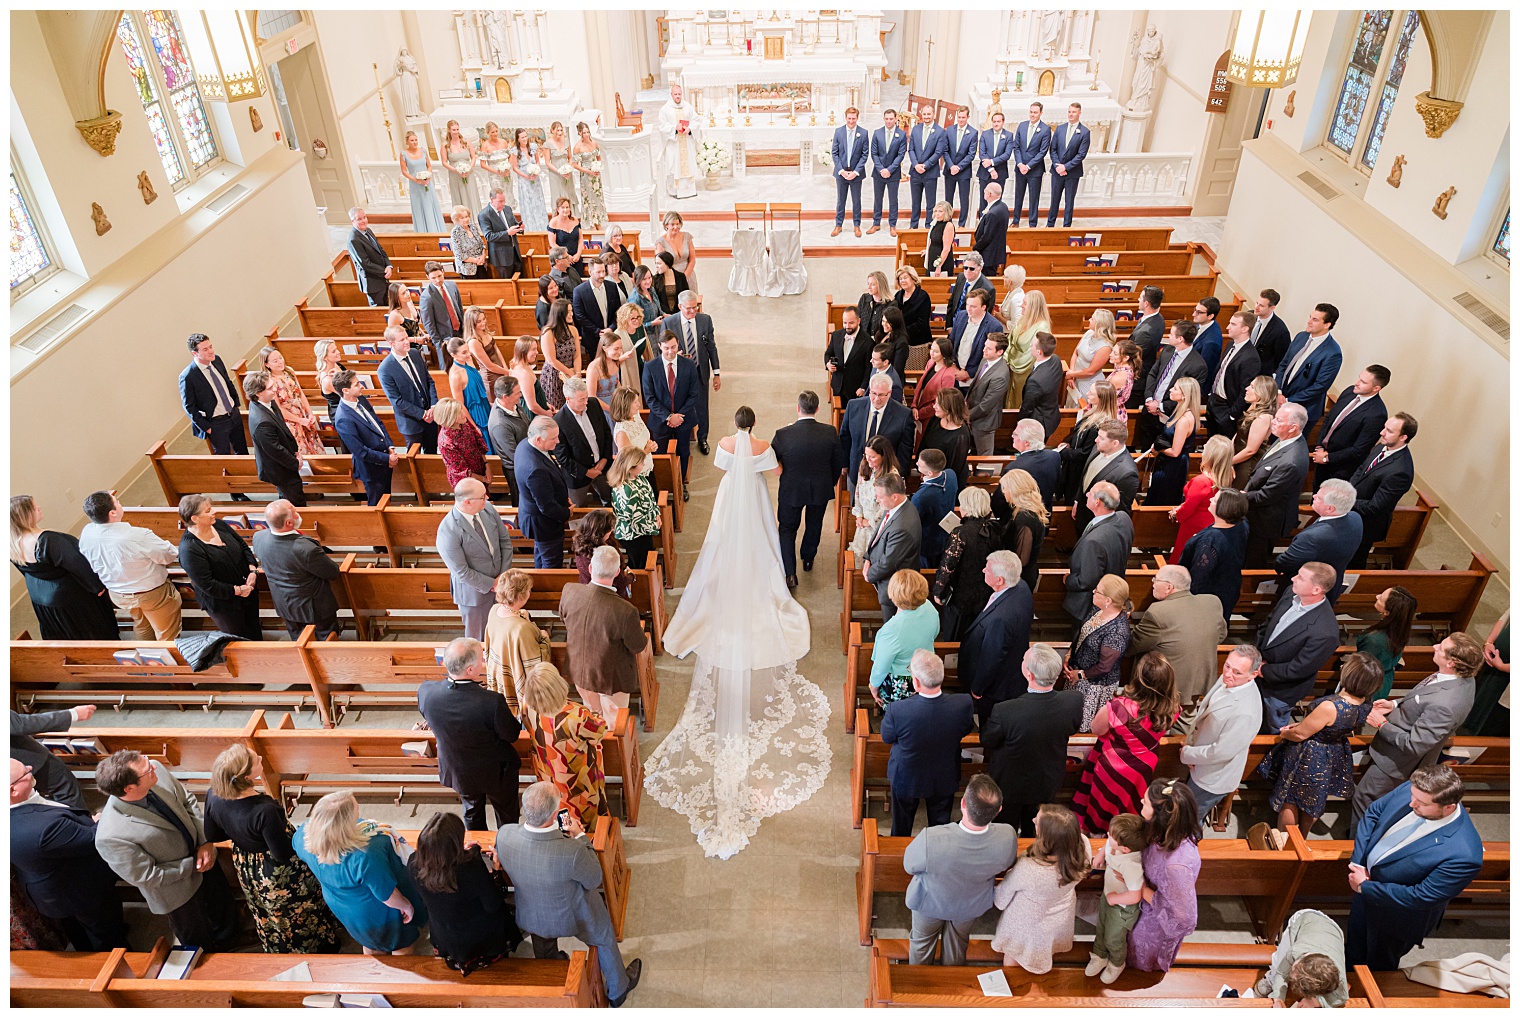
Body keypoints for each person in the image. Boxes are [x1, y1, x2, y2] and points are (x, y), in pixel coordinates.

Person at [644, 406, 826, 859]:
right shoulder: (763, 448)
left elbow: (724, 468)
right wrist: (762, 459)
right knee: (763, 546)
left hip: (730, 499)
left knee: (721, 546)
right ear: (756, 426)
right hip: (756, 499)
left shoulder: (725, 448)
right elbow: (775, 469)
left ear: (734, 425)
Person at [496, 781, 642, 1005]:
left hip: (532, 914)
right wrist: (580, 837)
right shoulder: (571, 850)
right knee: (603, 937)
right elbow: (594, 879)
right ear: (555, 814)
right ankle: (618, 989)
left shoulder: (505, 835)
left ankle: (551, 964)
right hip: (572, 917)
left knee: (543, 937)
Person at [94, 750, 240, 949]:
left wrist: (206, 842)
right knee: (197, 937)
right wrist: (194, 865)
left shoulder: (156, 770)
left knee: (222, 906)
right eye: (146, 770)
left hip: (204, 856)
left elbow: (186, 800)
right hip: (175, 889)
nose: (152, 766)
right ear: (129, 788)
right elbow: (147, 876)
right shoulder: (110, 835)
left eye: (146, 760)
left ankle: (231, 939)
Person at [204, 744, 341, 953]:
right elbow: (282, 853)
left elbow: (213, 835)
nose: (260, 758)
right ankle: (316, 947)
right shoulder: (264, 809)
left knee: (267, 911)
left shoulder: (213, 794)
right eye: (256, 760)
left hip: (246, 862)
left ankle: (278, 946)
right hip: (274, 871)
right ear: (247, 776)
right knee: (296, 910)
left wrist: (242, 836)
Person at [1346, 766, 1484, 971]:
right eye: (1413, 796)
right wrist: (1359, 863)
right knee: (1353, 950)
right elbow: (1374, 812)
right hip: (1363, 890)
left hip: (1396, 917)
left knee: (1378, 965)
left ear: (1448, 807)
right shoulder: (1418, 789)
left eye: (1422, 804)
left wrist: (1366, 887)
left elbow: (1421, 896)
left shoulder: (1464, 854)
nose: (1411, 804)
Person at [1354, 632, 1483, 819]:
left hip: (1398, 762)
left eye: (1441, 647)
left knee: (1365, 798)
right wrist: (1395, 704)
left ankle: (1359, 843)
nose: (1434, 646)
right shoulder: (1461, 678)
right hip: (1394, 748)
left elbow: (1414, 745)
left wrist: (1381, 724)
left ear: (1451, 662)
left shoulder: (1446, 704)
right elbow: (1424, 696)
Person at [10, 756, 128, 951]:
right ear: (13, 790)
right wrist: (99, 820)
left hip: (48, 890)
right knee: (106, 933)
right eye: (26, 772)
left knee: (76, 927)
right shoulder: (43, 828)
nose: (31, 768)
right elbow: (92, 838)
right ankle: (115, 961)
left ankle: (86, 946)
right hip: (79, 890)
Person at [1257, 652, 1381, 836]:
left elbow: (1300, 734)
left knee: (1290, 799)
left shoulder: (1330, 706)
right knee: (1312, 800)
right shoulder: (1364, 702)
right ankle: (1303, 836)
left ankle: (1286, 841)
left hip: (1311, 753)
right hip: (1334, 750)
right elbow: (1324, 726)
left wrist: (1285, 733)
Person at [903, 773, 1017, 965]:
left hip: (930, 903)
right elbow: (1006, 864)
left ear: (963, 803)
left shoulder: (931, 838)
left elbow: (910, 866)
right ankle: (952, 986)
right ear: (999, 810)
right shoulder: (1007, 836)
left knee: (922, 943)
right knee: (957, 944)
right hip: (970, 904)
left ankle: (919, 983)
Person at [295, 790, 426, 955]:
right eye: (356, 813)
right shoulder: (365, 854)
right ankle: (402, 977)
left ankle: (374, 974)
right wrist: (407, 906)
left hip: (344, 907)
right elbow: (386, 893)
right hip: (377, 913)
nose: (359, 815)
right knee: (400, 945)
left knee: (370, 944)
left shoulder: (303, 836)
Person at [418, 637, 523, 831]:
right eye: (481, 659)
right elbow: (511, 735)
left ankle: (477, 851)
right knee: (507, 814)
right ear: (470, 670)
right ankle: (507, 849)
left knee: (472, 813)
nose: (484, 663)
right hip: (496, 771)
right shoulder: (491, 702)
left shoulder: (427, 692)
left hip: (458, 769)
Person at [981, 644, 1083, 835]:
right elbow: (1072, 728)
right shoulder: (1073, 701)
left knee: (1006, 830)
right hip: (1047, 779)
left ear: (1030, 675)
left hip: (1010, 783)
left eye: (1023, 661)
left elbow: (988, 740)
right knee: (1036, 830)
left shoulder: (1005, 710)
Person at [1072, 653, 1179, 834]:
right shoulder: (1171, 707)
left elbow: (1096, 729)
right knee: (1130, 805)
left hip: (1115, 766)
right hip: (1143, 766)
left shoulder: (1118, 707)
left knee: (1103, 807)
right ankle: (1123, 834)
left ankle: (1098, 833)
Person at [407, 812, 521, 974]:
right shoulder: (470, 869)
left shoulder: (414, 863)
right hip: (478, 936)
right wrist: (496, 869)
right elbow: (493, 904)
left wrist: (462, 853)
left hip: (444, 932)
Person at [882, 649, 974, 837]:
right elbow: (966, 729)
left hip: (906, 776)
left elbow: (887, 737)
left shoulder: (897, 710)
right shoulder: (962, 704)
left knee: (901, 826)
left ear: (916, 682)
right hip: (944, 775)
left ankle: (900, 858)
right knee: (939, 828)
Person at [991, 804, 1091, 972]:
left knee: (1013, 956)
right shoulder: (1082, 849)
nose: (1033, 820)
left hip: (1027, 922)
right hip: (1059, 915)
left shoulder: (1031, 868)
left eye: (1037, 822)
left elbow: (1001, 898)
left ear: (1047, 838)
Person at [78, 490, 182, 640]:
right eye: (118, 502)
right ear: (112, 513)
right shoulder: (137, 536)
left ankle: (148, 658)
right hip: (151, 593)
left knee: (141, 624)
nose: (120, 504)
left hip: (118, 593)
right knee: (166, 632)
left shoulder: (87, 533)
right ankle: (167, 660)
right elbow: (167, 556)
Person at [9, 495, 117, 640]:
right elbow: (77, 563)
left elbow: (27, 571)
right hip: (68, 597)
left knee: (68, 633)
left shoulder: (12, 544)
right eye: (34, 508)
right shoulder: (47, 540)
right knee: (91, 630)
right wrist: (97, 586)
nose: (39, 508)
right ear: (25, 515)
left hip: (40, 597)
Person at [561, 546, 648, 723]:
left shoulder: (570, 591)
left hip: (580, 671)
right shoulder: (625, 610)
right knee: (613, 722)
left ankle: (598, 747)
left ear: (591, 568)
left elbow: (565, 619)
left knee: (592, 716)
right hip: (611, 680)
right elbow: (637, 645)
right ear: (617, 573)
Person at [518, 663, 608, 831]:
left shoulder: (526, 705)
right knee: (585, 810)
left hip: (547, 771)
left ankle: (565, 834)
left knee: (560, 808)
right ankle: (591, 839)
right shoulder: (576, 715)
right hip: (577, 778)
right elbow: (600, 731)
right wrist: (596, 715)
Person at [1179, 645, 1264, 819]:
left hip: (1212, 777)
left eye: (1237, 672)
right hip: (1201, 760)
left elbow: (1221, 752)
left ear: (1253, 675)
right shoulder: (1231, 679)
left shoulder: (1246, 711)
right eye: (1226, 666)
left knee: (1189, 819)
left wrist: (1188, 754)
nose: (1228, 674)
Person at [1256, 562, 1343, 733]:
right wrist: (1256, 654)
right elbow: (1268, 623)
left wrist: (1263, 670)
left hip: (1280, 690)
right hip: (1259, 669)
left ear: (1316, 590)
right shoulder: (1291, 593)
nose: (1293, 578)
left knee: (1272, 729)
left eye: (1300, 578)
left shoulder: (1325, 632)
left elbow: (1298, 669)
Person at [1127, 778, 1202, 972]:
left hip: (1154, 925)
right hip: (1143, 901)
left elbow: (1184, 918)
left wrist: (1143, 890)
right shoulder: (1167, 832)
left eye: (1145, 801)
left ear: (1158, 815)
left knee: (1138, 962)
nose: (1141, 802)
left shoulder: (1176, 866)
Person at [772, 390, 847, 584]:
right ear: (818, 409)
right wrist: (828, 482)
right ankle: (808, 558)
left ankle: (790, 574)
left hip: (791, 490)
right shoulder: (830, 432)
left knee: (787, 529)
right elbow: (837, 463)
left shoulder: (783, 434)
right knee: (814, 525)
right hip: (819, 488)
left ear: (798, 408)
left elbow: (773, 460)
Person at [1127, 565, 1227, 707]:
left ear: (1169, 587)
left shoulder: (1158, 612)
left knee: (1156, 722)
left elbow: (1133, 645)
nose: (1152, 582)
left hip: (1166, 685)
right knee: (1185, 723)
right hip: (1200, 680)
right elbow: (1221, 635)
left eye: (1156, 579)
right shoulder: (1212, 602)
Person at [958, 550, 1034, 727]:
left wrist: (978, 688)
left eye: (987, 569)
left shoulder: (1001, 618)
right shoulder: (1021, 586)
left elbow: (992, 657)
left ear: (1000, 580)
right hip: (1012, 671)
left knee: (990, 727)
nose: (983, 570)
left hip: (996, 687)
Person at [250, 500, 341, 640]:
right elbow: (332, 572)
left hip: (284, 603)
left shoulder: (258, 537)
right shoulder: (306, 549)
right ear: (289, 523)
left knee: (297, 637)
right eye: (294, 512)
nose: (298, 513)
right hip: (313, 606)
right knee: (326, 638)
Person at [176, 493, 261, 640]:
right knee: (239, 638)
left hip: (248, 590)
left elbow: (242, 545)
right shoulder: (189, 549)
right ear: (194, 519)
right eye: (208, 511)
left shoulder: (217, 524)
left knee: (254, 628)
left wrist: (253, 570)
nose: (214, 512)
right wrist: (239, 590)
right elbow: (207, 584)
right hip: (224, 603)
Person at [436, 478, 510, 640]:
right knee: (478, 639)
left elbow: (505, 541)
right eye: (483, 497)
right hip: (474, 595)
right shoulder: (448, 530)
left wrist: (502, 577)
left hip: (501, 584)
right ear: (468, 502)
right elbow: (461, 571)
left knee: (501, 633)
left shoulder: (488, 509)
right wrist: (492, 584)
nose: (487, 499)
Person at [1242, 402, 1311, 569]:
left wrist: (1241, 496)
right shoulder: (1285, 440)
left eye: (1279, 420)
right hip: (1260, 512)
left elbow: (1266, 496)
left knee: (1253, 561)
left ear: (1293, 427)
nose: (1273, 422)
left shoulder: (1291, 461)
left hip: (1267, 520)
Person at [1084, 811, 1148, 983]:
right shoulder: (1116, 844)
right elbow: (1108, 844)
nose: (1107, 835)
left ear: (1125, 848)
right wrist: (1100, 854)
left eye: (1111, 835)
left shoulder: (1131, 865)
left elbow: (1135, 895)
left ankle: (1117, 963)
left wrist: (1115, 899)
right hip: (1110, 895)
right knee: (1101, 926)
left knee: (1114, 937)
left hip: (1122, 908)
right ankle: (1099, 955)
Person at [1065, 573, 1134, 731]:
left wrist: (1080, 675)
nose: (1093, 592)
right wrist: (1069, 655)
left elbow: (1104, 667)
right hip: (1078, 673)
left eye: (1097, 591)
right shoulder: (1097, 609)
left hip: (1094, 685)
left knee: (1083, 724)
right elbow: (1082, 632)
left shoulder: (1116, 632)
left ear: (1108, 600)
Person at [1276, 479, 1364, 601]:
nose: (1314, 496)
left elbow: (1284, 563)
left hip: (1306, 593)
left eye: (1319, 498)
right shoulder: (1355, 518)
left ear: (1330, 509)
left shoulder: (1312, 538)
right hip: (1332, 584)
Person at [1348, 413, 1417, 568]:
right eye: (1385, 427)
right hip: (1353, 509)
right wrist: (1348, 490)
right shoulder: (1382, 446)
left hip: (1365, 525)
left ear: (1403, 437)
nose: (1382, 432)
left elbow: (1376, 506)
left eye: (1389, 431)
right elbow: (1362, 469)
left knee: (1354, 561)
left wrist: (1346, 500)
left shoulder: (1401, 471)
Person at [930, 488, 1000, 638]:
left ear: (968, 508)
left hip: (961, 597)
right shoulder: (994, 529)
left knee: (955, 637)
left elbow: (947, 567)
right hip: (985, 594)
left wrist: (938, 592)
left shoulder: (960, 533)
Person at [1064, 482, 1134, 631]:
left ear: (1097, 502)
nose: (1087, 494)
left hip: (1089, 604)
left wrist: (1068, 579)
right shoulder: (1123, 517)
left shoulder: (1093, 541)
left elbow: (1087, 581)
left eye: (1091, 493)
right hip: (1114, 581)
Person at [660, 291, 721, 454]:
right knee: (681, 406)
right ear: (680, 307)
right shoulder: (668, 323)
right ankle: (683, 438)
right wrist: (672, 356)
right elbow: (661, 350)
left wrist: (716, 373)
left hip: (699, 371)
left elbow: (711, 347)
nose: (693, 312)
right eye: (689, 309)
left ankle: (702, 437)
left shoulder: (705, 320)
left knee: (702, 407)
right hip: (679, 374)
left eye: (695, 308)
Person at [1134, 320, 1209, 454]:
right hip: (1150, 410)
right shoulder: (1168, 350)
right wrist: (1149, 399)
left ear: (1180, 339)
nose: (1168, 336)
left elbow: (1189, 397)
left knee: (1162, 454)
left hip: (1171, 416)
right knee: (1146, 449)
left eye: (1171, 334)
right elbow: (1153, 373)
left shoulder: (1198, 366)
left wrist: (1160, 406)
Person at [482, 569, 549, 713]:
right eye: (528, 591)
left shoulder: (494, 609)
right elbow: (535, 663)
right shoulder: (520, 628)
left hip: (500, 674)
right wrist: (544, 638)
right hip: (514, 679)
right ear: (520, 597)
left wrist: (521, 615)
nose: (530, 593)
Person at [870, 571, 941, 707]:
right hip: (925, 673)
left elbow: (881, 666)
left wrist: (873, 686)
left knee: (898, 715)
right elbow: (935, 633)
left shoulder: (892, 631)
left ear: (894, 595)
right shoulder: (929, 607)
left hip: (902, 681)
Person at [1178, 488, 1251, 618]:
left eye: (1215, 500)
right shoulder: (1242, 523)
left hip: (1208, 597)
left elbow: (1198, 578)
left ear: (1224, 508)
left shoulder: (1210, 541)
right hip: (1229, 586)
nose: (1211, 500)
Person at [1311, 364, 1389, 485]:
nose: (1357, 383)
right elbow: (1329, 420)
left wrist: (1328, 458)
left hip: (1340, 468)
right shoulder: (1349, 392)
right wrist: (1319, 447)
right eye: (1359, 378)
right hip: (1322, 455)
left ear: (1376, 388)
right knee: (1316, 495)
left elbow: (1359, 450)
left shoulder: (1377, 414)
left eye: (1363, 382)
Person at [1255, 909, 1350, 1008]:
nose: (1291, 971)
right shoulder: (1295, 951)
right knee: (1278, 961)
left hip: (1334, 932)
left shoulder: (1339, 976)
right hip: (1304, 919)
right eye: (1294, 968)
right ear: (1305, 957)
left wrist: (1316, 1002)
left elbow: (1342, 997)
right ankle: (1270, 980)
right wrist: (1278, 999)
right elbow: (1282, 973)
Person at [840, 374, 915, 496]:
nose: (876, 399)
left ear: (889, 393)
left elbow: (905, 449)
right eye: (873, 393)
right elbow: (845, 436)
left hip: (885, 476)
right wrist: (844, 463)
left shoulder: (903, 415)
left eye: (881, 395)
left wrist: (900, 475)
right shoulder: (853, 406)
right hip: (856, 471)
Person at [642, 331, 700, 490]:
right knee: (661, 455)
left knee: (683, 452)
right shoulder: (650, 367)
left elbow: (694, 394)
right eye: (666, 347)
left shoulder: (688, 365)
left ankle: (681, 486)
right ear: (659, 346)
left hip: (684, 419)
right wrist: (668, 416)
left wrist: (679, 416)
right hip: (660, 421)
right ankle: (664, 487)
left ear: (678, 344)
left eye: (673, 347)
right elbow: (650, 398)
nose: (670, 351)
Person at [862, 472, 922, 625]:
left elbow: (889, 563)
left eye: (880, 497)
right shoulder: (895, 507)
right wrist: (868, 558)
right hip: (885, 576)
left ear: (894, 496)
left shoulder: (902, 526)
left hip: (894, 588)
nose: (877, 499)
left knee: (891, 625)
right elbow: (879, 533)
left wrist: (869, 575)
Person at [178, 332, 248, 464]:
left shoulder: (217, 360)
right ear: (195, 353)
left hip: (233, 415)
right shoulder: (188, 376)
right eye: (205, 349)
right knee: (224, 458)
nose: (211, 351)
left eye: (210, 346)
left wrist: (236, 405)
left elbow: (227, 382)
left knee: (242, 451)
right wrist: (207, 427)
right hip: (216, 423)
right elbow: (189, 407)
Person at [331, 369, 397, 505]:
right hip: (371, 469)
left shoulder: (360, 399)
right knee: (377, 504)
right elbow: (360, 451)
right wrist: (387, 458)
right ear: (345, 390)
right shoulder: (343, 418)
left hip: (384, 460)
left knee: (387, 499)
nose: (361, 386)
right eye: (356, 384)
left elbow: (377, 423)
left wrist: (390, 445)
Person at [515, 416, 573, 568]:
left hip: (535, 516)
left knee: (542, 555)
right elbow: (547, 506)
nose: (558, 441)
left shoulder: (524, 445)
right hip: (544, 524)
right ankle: (549, 589)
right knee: (551, 562)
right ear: (539, 439)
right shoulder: (536, 469)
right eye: (553, 438)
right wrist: (567, 513)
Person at [1275, 303, 1344, 430]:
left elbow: (1320, 386)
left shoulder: (1333, 352)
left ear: (1327, 325)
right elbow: (1284, 364)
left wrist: (1288, 400)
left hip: (1303, 409)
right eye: (1310, 317)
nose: (1309, 321)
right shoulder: (1301, 336)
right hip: (1281, 400)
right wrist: (1278, 391)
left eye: (1315, 320)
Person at [1167, 434, 1233, 562]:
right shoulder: (1227, 475)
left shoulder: (1201, 481)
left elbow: (1189, 508)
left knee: (1184, 556)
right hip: (1212, 521)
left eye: (1206, 446)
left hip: (1193, 524)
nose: (1203, 447)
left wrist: (1176, 514)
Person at [553, 377, 615, 507]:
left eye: (586, 397)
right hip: (577, 476)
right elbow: (563, 458)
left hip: (601, 467)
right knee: (578, 509)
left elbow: (606, 433)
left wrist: (604, 459)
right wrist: (587, 472)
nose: (586, 402)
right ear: (568, 399)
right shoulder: (559, 422)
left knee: (610, 500)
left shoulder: (593, 404)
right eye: (581, 400)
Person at [377, 330, 440, 456]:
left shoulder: (415, 353)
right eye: (401, 340)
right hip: (411, 421)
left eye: (407, 338)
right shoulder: (385, 369)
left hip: (431, 415)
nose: (407, 342)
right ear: (391, 344)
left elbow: (429, 381)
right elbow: (396, 401)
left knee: (432, 453)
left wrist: (433, 406)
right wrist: (422, 414)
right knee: (414, 457)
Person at [1072, 420, 1139, 532]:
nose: (1096, 440)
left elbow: (1120, 511)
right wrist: (1077, 501)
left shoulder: (1127, 473)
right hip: (1083, 512)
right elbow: (1086, 477)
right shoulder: (1099, 447)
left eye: (1101, 438)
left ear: (1115, 443)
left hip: (1099, 527)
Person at [1144, 377, 1201, 507]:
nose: (1171, 390)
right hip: (1169, 462)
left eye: (1175, 388)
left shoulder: (1184, 420)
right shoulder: (1180, 410)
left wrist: (1158, 447)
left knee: (1163, 497)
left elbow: (1175, 452)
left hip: (1172, 466)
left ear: (1184, 395)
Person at [1206, 310, 1262, 436]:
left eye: (1233, 324)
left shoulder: (1250, 357)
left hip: (1226, 408)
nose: (1227, 327)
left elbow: (1244, 389)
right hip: (1214, 401)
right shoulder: (1231, 344)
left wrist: (1232, 415)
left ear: (1245, 329)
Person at [607, 448, 662, 573]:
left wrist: (656, 513)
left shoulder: (638, 477)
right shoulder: (626, 490)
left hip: (644, 529)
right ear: (630, 467)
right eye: (641, 462)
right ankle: (639, 587)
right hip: (633, 535)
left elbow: (651, 497)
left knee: (644, 557)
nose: (644, 464)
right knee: (639, 565)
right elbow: (634, 520)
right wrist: (654, 525)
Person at [1358, 586, 1417, 701]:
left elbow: (1365, 666)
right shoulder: (1400, 627)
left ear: (1387, 612)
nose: (1377, 596)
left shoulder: (1374, 640)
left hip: (1369, 683)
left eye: (1381, 599)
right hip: (1384, 676)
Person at [994, 469, 1049, 590]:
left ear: (1015, 490)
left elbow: (1021, 561)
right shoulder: (1028, 512)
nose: (1003, 492)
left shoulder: (1024, 519)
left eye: (1005, 488)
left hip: (1019, 580)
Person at [966, 333, 1011, 456]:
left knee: (985, 456)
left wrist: (966, 415)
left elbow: (985, 406)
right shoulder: (985, 359)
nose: (984, 350)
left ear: (1000, 352)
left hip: (984, 422)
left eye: (989, 348)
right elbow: (975, 385)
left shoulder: (1000, 375)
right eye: (985, 346)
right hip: (972, 415)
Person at [918, 388, 973, 489]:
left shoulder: (960, 436)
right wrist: (922, 468)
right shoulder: (936, 419)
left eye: (938, 404)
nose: (934, 406)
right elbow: (924, 444)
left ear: (948, 408)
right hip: (929, 473)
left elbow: (952, 471)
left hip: (945, 484)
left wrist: (931, 475)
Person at [1230, 374, 1279, 487]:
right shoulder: (1253, 409)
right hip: (1238, 459)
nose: (1247, 388)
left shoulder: (1263, 417)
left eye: (1252, 387)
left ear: (1261, 392)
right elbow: (1239, 434)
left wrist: (1228, 462)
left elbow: (1251, 450)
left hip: (1247, 466)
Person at [1003, 418, 1061, 512]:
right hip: (1045, 513)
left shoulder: (1013, 468)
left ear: (1026, 442)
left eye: (1016, 434)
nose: (1012, 436)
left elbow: (1000, 502)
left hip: (1022, 518)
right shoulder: (1054, 456)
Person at [910, 448, 956, 566]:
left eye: (919, 464)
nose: (916, 464)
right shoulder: (951, 474)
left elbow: (914, 523)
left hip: (928, 542)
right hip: (945, 534)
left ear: (930, 473)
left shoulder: (921, 497)